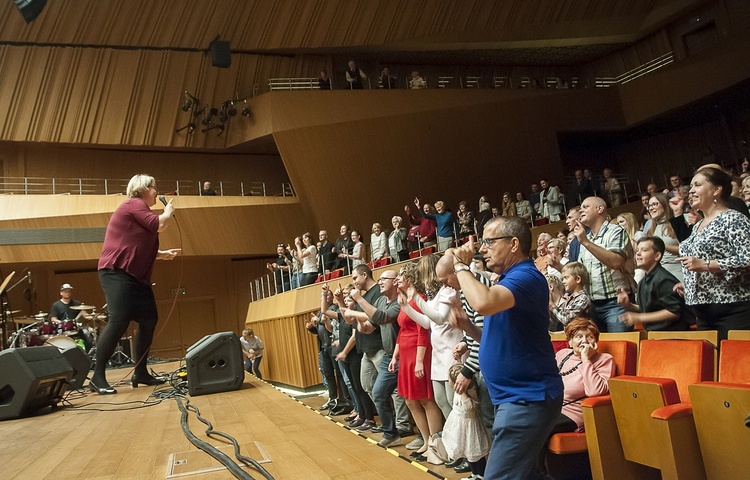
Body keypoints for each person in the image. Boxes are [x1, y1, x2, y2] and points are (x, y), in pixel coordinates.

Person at [451, 217, 564, 479]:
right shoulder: (507, 280)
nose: (482, 248)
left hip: (526, 397)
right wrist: (468, 328)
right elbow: (498, 338)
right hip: (514, 396)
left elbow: (483, 303)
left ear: (514, 244)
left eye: (490, 241)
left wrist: (460, 265)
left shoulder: (525, 276)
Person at [90, 174, 179, 394]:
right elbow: (158, 225)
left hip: (136, 277)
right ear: (143, 189)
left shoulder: (140, 210)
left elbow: (135, 244)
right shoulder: (133, 204)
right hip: (116, 272)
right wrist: (167, 212)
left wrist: (160, 254)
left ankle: (140, 373)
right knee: (119, 320)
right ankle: (97, 377)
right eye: (154, 187)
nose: (156, 192)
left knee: (149, 318)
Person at [676, 166, 750, 340]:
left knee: (737, 366)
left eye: (697, 185)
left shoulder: (732, 218)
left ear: (717, 189)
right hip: (703, 312)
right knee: (708, 365)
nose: (691, 191)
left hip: (733, 310)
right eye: (691, 186)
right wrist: (690, 283)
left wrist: (706, 265)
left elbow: (747, 257)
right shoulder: (698, 226)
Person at [390, 262, 444, 461]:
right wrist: (396, 355)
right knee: (410, 399)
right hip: (405, 352)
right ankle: (425, 439)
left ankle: (434, 444)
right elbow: (402, 330)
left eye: (402, 275)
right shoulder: (404, 300)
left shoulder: (419, 298)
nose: (398, 278)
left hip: (417, 352)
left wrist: (420, 361)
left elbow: (423, 330)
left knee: (424, 398)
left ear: (410, 278)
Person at [574, 196, 634, 332]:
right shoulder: (586, 237)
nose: (581, 210)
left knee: (621, 349)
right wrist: (558, 266)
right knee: (600, 352)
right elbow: (580, 272)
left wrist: (585, 242)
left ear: (600, 209)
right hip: (592, 305)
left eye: (585, 207)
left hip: (616, 303)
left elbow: (616, 261)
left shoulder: (616, 231)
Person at [550, 318, 615, 434]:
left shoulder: (605, 360)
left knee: (536, 429)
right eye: (579, 336)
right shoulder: (562, 354)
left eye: (589, 337)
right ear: (570, 342)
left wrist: (586, 359)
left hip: (572, 413)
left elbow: (595, 391)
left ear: (595, 342)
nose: (584, 341)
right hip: (549, 407)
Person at [618, 237, 691, 331]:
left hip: (672, 336)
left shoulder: (663, 279)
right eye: (637, 250)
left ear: (657, 256)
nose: (638, 253)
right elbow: (648, 308)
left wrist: (640, 317)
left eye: (644, 250)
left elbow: (674, 311)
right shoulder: (643, 281)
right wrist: (628, 305)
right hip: (655, 336)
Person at [442, 363, 491, 479]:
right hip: (461, 429)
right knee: (469, 454)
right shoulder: (463, 391)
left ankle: (481, 475)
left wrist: (462, 392)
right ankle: (474, 474)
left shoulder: (466, 393)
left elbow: (468, 407)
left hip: (469, 429)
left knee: (475, 453)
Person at [645, 193, 683, 282]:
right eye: (649, 206)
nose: (651, 208)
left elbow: (689, 250)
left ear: (665, 204)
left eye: (655, 204)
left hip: (678, 274)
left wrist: (662, 246)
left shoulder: (678, 222)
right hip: (659, 277)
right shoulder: (651, 229)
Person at [50, 283, 92, 351]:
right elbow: (53, 318)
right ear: (61, 293)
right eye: (65, 291)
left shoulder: (77, 303)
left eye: (69, 291)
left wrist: (93, 316)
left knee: (89, 339)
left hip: (76, 328)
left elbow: (84, 314)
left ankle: (87, 355)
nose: (67, 293)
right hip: (62, 330)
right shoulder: (56, 305)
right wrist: (62, 322)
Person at [549, 262, 591, 331]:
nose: (563, 282)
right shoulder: (570, 299)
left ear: (578, 279)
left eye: (566, 278)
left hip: (580, 335)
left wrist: (552, 306)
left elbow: (566, 319)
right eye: (563, 278)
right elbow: (559, 318)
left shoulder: (582, 299)